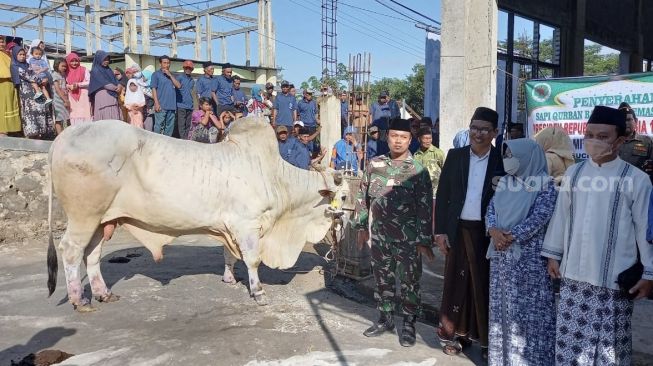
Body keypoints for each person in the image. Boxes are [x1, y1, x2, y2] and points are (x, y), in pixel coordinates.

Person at [542, 105, 653, 365]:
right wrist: (553, 256)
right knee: (570, 348)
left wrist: (649, 273)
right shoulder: (574, 173)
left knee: (608, 351)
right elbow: (561, 218)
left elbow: (644, 231)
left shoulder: (636, 179)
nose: (593, 142)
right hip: (573, 279)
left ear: (620, 140)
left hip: (613, 281)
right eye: (589, 134)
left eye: (602, 137)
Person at [353, 117, 434, 347]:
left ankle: (408, 324)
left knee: (410, 281)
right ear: (387, 137)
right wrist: (361, 227)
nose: (398, 141)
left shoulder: (418, 170)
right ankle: (385, 318)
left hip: (407, 240)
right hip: (380, 236)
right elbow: (362, 198)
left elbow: (425, 208)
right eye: (394, 136)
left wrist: (423, 239)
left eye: (404, 137)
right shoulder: (374, 164)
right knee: (382, 279)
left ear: (410, 140)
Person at [434, 107, 504, 359]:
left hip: (486, 234)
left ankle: (487, 342)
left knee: (484, 286)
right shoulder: (456, 156)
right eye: (474, 127)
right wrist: (440, 231)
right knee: (456, 284)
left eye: (485, 129)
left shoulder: (502, 160)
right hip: (458, 229)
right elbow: (443, 196)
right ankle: (459, 337)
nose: (478, 133)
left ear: (495, 132)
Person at [485, 139, 557, 365]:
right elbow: (491, 210)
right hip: (501, 258)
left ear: (528, 157)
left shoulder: (546, 185)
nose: (508, 161)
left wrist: (510, 236)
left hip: (530, 260)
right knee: (502, 311)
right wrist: (494, 231)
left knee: (530, 314)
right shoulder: (504, 183)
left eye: (512, 156)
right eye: (506, 156)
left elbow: (540, 217)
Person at [10, 46, 55, 139]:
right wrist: (40, 80)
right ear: (15, 55)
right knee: (31, 112)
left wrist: (43, 79)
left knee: (41, 108)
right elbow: (27, 76)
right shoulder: (15, 66)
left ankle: (43, 132)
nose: (22, 56)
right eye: (20, 54)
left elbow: (34, 73)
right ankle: (33, 133)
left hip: (36, 89)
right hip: (27, 92)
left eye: (24, 54)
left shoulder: (27, 65)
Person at [413, 126, 445, 230]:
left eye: (429, 138)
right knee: (422, 218)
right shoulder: (416, 155)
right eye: (425, 138)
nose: (428, 141)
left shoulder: (438, 153)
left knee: (435, 219)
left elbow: (445, 171)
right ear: (419, 139)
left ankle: (435, 239)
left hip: (435, 193)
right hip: (420, 194)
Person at [617, 102, 653, 179]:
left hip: (640, 187)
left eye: (629, 119)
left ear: (636, 121)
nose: (626, 123)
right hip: (612, 185)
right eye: (622, 120)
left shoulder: (648, 142)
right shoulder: (610, 142)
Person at [151, 55, 181, 136]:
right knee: (158, 127)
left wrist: (170, 75)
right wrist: (156, 103)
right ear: (160, 64)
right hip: (161, 106)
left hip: (171, 106)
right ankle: (155, 143)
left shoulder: (172, 75)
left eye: (168, 63)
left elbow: (178, 86)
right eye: (164, 63)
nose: (167, 65)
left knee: (169, 128)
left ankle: (166, 145)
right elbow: (153, 89)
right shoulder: (156, 74)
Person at [88, 50, 123, 121]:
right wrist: (116, 88)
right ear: (99, 59)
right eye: (104, 59)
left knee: (113, 117)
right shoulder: (95, 70)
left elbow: (115, 80)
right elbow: (104, 83)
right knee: (105, 118)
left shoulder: (108, 69)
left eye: (108, 59)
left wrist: (119, 86)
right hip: (103, 96)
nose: (107, 61)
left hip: (112, 96)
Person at [0, 36, 21, 136]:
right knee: (2, 106)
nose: (1, 44)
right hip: (2, 83)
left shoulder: (8, 54)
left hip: (10, 84)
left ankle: (10, 129)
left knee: (10, 105)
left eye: (2, 42)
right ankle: (2, 130)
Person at [64, 52, 92, 125]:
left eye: (76, 61)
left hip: (83, 95)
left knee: (85, 112)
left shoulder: (84, 69)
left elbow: (89, 81)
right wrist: (68, 86)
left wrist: (78, 85)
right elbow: (64, 83)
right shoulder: (66, 71)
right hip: (71, 95)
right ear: (68, 61)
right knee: (74, 113)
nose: (74, 63)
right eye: (72, 61)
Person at [176, 60, 195, 139]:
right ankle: (182, 140)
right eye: (186, 68)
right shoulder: (179, 77)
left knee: (188, 125)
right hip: (181, 105)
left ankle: (186, 139)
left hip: (190, 106)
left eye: (190, 68)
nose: (188, 69)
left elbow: (193, 94)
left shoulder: (192, 80)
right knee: (181, 125)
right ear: (184, 68)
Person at [51, 58, 70, 134]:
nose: (64, 68)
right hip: (58, 100)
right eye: (62, 66)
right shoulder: (55, 74)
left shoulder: (63, 74)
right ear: (56, 65)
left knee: (67, 117)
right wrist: (65, 100)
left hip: (64, 98)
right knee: (59, 119)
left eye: (65, 66)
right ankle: (60, 136)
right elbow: (57, 89)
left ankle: (67, 134)